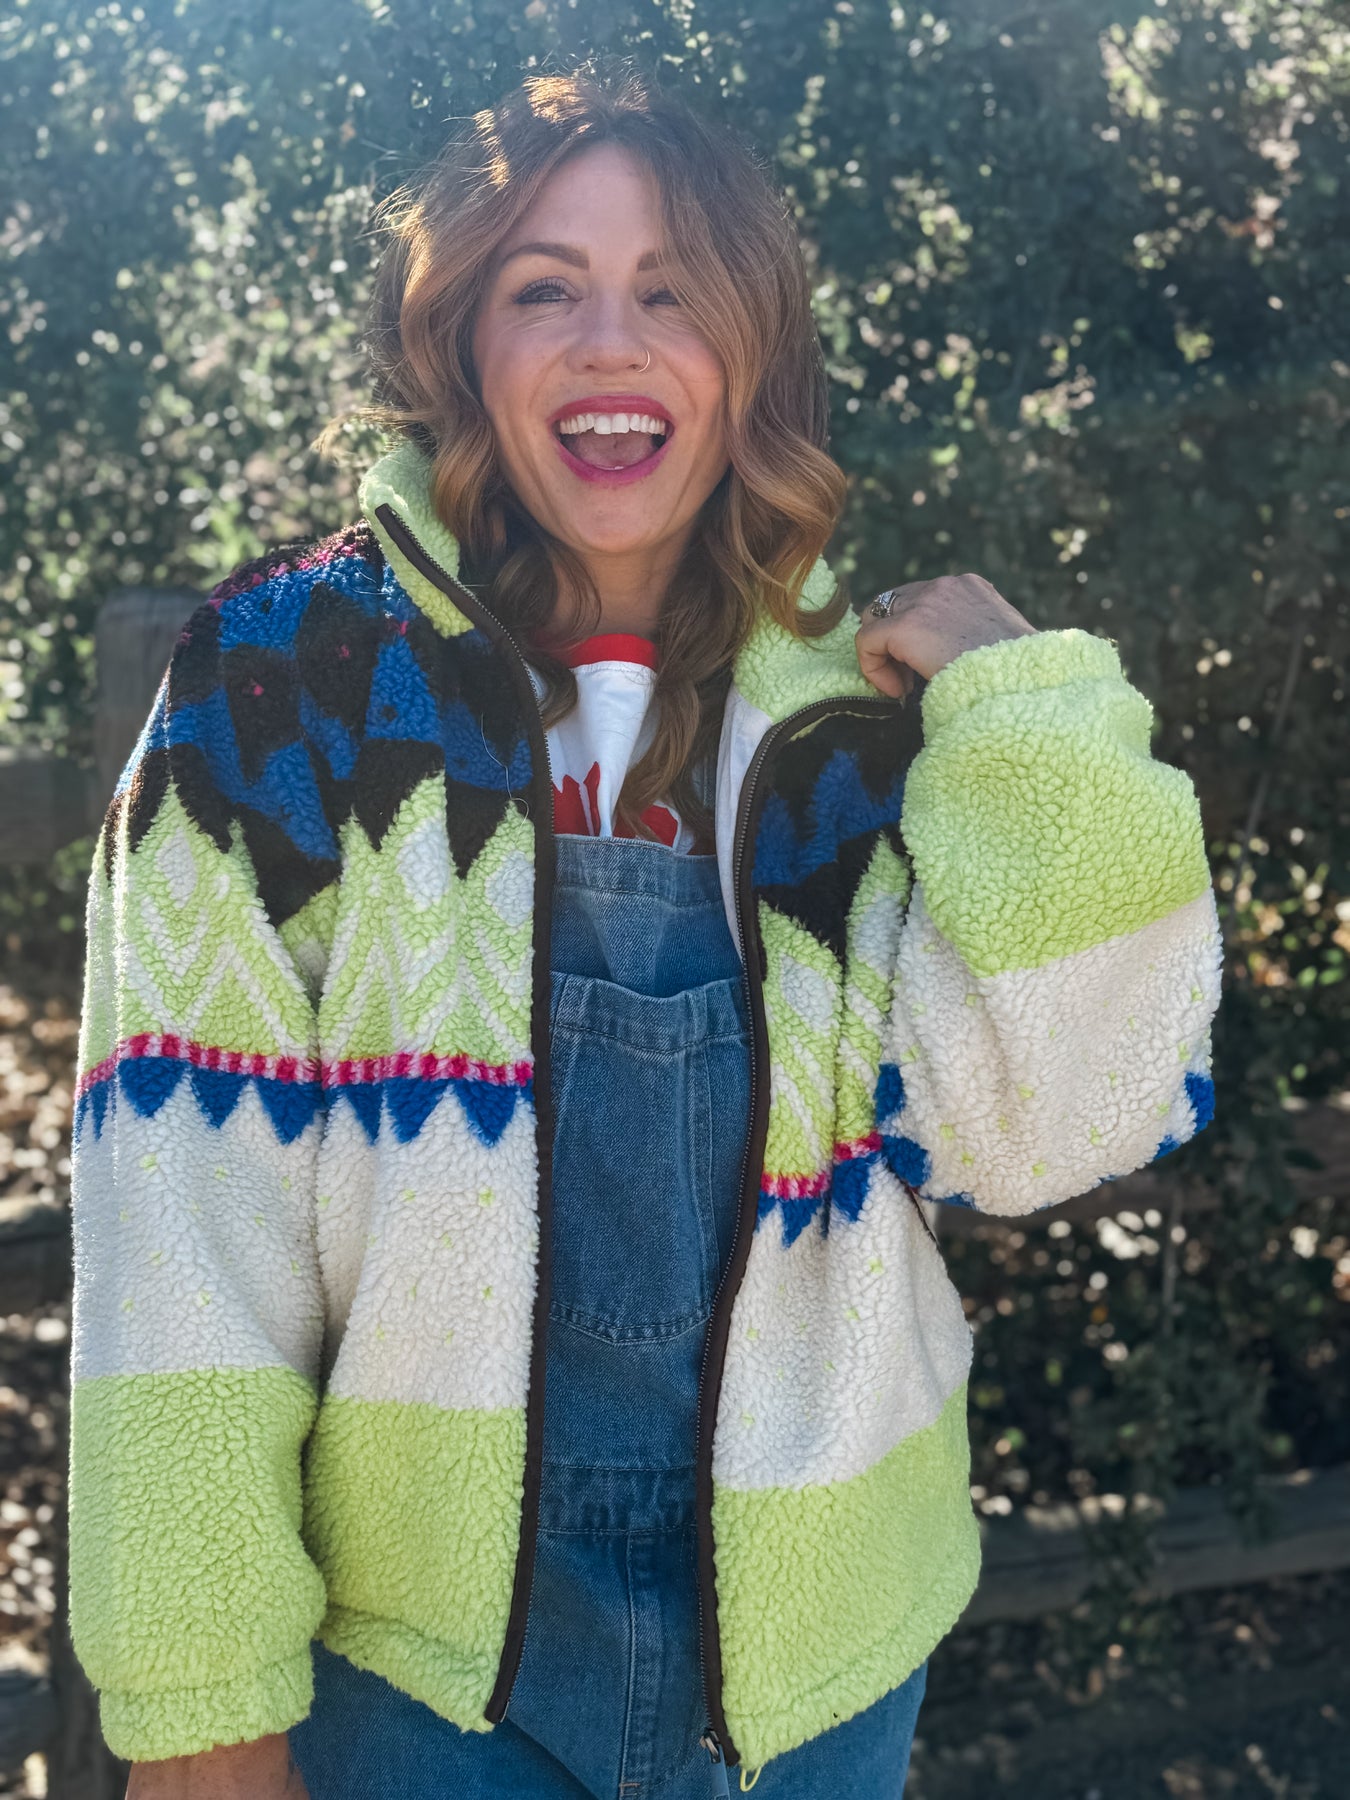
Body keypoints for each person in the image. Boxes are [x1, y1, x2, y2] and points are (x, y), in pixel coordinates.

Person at [66, 62, 1221, 1800]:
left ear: (749, 350)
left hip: (812, 1692)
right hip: (407, 1686)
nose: (611, 343)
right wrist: (204, 1714)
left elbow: (1062, 1128)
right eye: (545, 289)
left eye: (671, 291)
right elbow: (178, 1230)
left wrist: (1028, 707)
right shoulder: (288, 682)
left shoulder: (871, 726)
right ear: (462, 343)